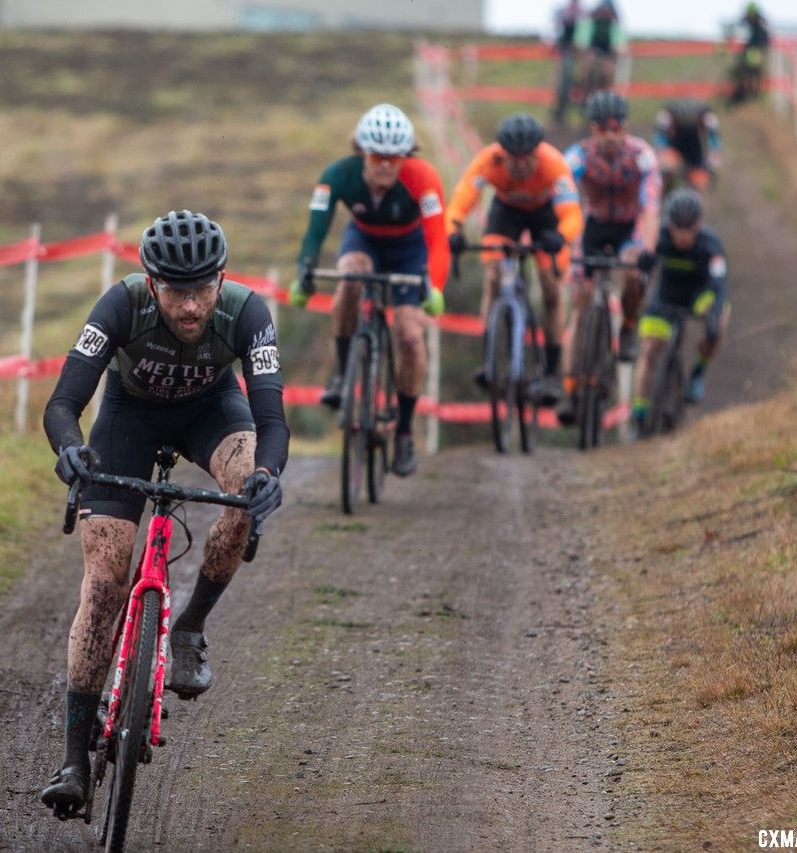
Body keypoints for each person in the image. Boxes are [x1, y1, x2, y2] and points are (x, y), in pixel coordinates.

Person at [39, 209, 289, 819]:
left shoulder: (248, 314)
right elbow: (64, 402)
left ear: (221, 278)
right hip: (130, 417)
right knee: (103, 581)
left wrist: (265, 477)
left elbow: (274, 421)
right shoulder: (119, 306)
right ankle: (74, 760)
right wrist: (71, 450)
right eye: (177, 290)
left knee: (242, 491)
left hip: (213, 412)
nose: (190, 306)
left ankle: (190, 628)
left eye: (203, 288)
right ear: (152, 283)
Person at [290, 103, 449, 477]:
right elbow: (316, 231)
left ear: (405, 156)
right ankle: (345, 375)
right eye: (377, 156)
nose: (385, 166)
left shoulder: (423, 177)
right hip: (364, 241)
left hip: (410, 251)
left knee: (410, 335)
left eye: (394, 158)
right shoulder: (338, 175)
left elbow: (438, 239)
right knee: (349, 279)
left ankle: (406, 431)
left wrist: (435, 286)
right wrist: (305, 273)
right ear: (362, 152)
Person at [445, 112, 583, 405]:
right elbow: (462, 197)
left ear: (537, 152)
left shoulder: (553, 164)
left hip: (545, 217)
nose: (520, 165)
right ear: (502, 154)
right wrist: (453, 229)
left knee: (551, 288)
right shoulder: (488, 161)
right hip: (505, 213)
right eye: (513, 158)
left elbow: (571, 214)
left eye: (527, 158)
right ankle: (491, 358)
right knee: (493, 276)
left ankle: (550, 373)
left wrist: (562, 236)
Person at [559, 89, 662, 424]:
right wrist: (565, 244)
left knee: (634, 270)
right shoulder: (576, 157)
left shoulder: (642, 156)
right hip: (593, 228)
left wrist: (646, 250)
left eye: (616, 127)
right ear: (592, 130)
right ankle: (571, 389)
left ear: (625, 127)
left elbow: (650, 208)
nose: (609, 135)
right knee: (579, 307)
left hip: (629, 229)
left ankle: (629, 326)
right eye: (602, 128)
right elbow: (563, 201)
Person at [631, 188, 730, 434]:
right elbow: (644, 268)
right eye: (678, 227)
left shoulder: (711, 244)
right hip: (665, 297)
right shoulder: (660, 239)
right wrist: (643, 268)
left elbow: (719, 284)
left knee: (719, 320)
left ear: (699, 224)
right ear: (669, 224)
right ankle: (639, 414)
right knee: (649, 350)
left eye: (690, 228)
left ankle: (696, 374)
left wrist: (714, 317)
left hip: (699, 297)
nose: (684, 235)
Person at [654, 98, 722, 194]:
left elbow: (713, 136)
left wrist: (714, 156)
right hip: (675, 143)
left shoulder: (706, 116)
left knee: (699, 180)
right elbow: (661, 136)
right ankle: (667, 196)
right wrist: (661, 154)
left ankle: (693, 201)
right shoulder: (668, 115)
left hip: (694, 145)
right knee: (667, 169)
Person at [572, 0, 625, 97]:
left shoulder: (614, 28)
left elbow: (619, 47)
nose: (604, 14)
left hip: (607, 59)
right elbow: (580, 44)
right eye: (602, 11)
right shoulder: (587, 25)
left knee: (606, 73)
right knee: (587, 69)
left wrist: (610, 58)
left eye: (607, 12)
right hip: (588, 58)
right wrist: (589, 54)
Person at [551, 0, 585, 128]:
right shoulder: (562, 13)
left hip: (579, 56)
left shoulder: (583, 14)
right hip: (565, 55)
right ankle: (560, 114)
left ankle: (582, 113)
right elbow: (555, 31)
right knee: (563, 85)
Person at [729, 2, 770, 105]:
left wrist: (762, 53)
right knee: (746, 72)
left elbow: (764, 41)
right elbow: (739, 24)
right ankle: (749, 94)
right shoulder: (753, 21)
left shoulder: (760, 23)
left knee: (752, 73)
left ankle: (752, 94)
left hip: (757, 49)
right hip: (752, 49)